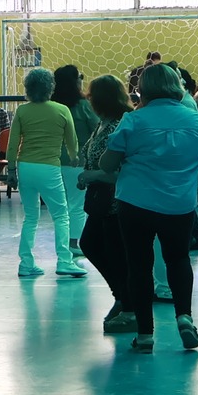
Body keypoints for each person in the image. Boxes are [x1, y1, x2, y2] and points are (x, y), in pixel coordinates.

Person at [100, 64, 198, 353]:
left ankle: (145, 334)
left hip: (135, 204)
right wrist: (185, 180)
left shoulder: (133, 120)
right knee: (178, 259)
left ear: (143, 89)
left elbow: (107, 164)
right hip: (179, 205)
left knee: (139, 265)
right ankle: (184, 317)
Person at [73, 76, 134, 331]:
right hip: (101, 199)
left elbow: (122, 169)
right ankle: (121, 296)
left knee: (115, 253)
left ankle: (128, 304)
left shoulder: (120, 125)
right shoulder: (103, 123)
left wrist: (93, 174)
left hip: (116, 201)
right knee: (90, 243)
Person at [9, 67, 82, 278]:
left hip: (26, 167)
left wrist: (12, 169)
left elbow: (13, 143)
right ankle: (64, 261)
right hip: (50, 167)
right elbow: (72, 141)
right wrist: (74, 156)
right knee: (61, 215)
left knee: (30, 216)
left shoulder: (22, 111)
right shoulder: (61, 110)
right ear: (51, 87)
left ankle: (26, 263)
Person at [51, 65, 98, 243]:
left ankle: (62, 242)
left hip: (52, 162)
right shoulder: (83, 106)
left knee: (59, 206)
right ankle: (73, 242)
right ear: (75, 81)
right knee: (77, 204)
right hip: (76, 162)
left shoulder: (50, 107)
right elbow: (96, 129)